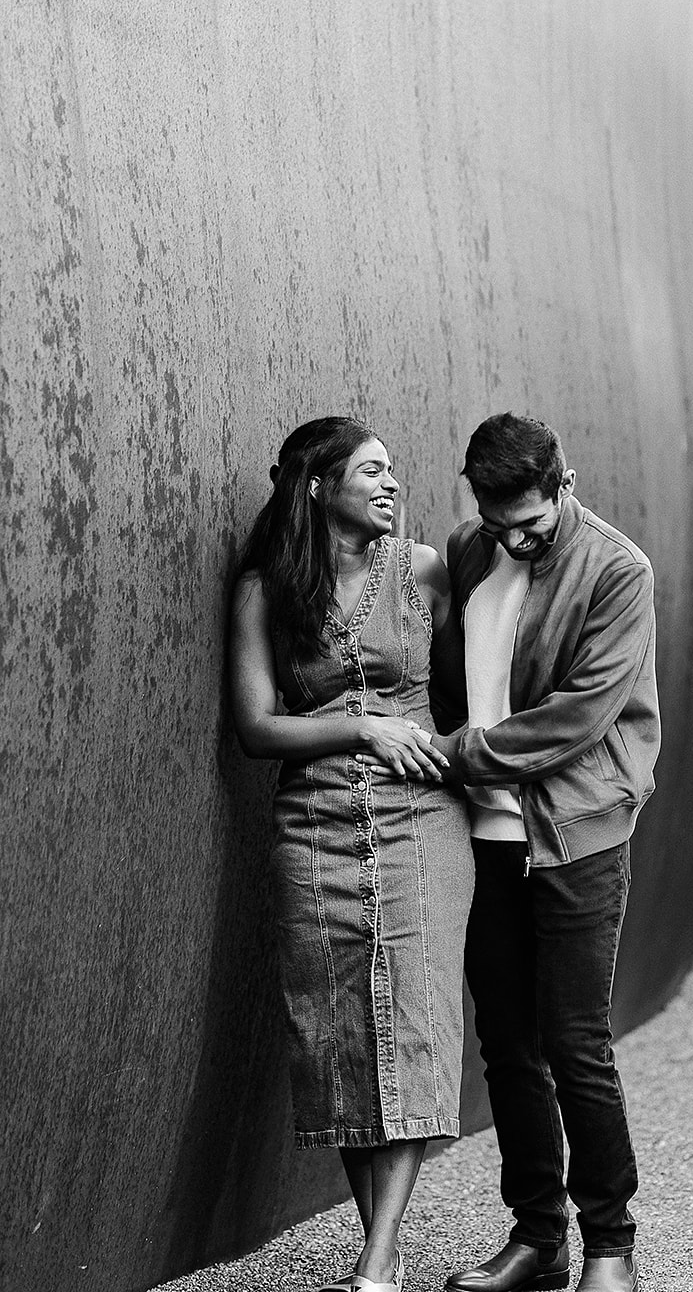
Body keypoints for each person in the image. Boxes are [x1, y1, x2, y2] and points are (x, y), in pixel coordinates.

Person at [229, 416, 473, 1292]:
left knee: (411, 1022)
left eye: (394, 470)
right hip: (314, 824)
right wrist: (361, 726)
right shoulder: (267, 590)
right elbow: (258, 727)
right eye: (370, 470)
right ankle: (386, 1251)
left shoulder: (427, 572)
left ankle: (376, 1261)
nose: (390, 483)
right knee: (334, 1033)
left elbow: (481, 676)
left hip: (422, 820)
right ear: (314, 486)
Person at [436, 413, 660, 1292]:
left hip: (575, 834)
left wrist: (458, 753)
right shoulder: (468, 551)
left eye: (530, 521)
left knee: (576, 1044)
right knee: (506, 1045)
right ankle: (539, 1240)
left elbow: (579, 716)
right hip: (484, 837)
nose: (516, 539)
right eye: (499, 525)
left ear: (564, 482)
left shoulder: (617, 569)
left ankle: (611, 1245)